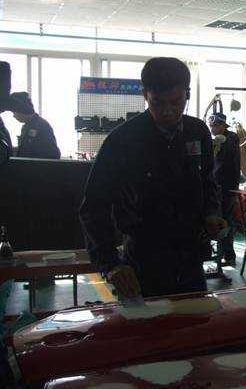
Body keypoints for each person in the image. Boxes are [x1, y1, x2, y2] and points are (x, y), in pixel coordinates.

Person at [79, 57, 226, 299]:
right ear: (145, 95)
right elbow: (93, 207)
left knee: (195, 320)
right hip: (141, 263)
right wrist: (111, 264)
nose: (168, 111)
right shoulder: (122, 141)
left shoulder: (197, 132)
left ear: (187, 94)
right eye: (158, 102)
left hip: (190, 259)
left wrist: (211, 213)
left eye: (176, 102)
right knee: (146, 323)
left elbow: (208, 182)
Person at [208, 112, 241, 266]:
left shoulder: (231, 138)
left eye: (215, 125)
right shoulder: (216, 140)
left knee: (226, 221)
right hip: (216, 186)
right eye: (211, 126)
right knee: (216, 220)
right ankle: (219, 254)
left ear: (222, 125)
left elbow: (227, 163)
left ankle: (228, 255)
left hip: (228, 188)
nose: (212, 129)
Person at [9, 92, 60, 159]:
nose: (13, 116)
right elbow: (25, 149)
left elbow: (54, 154)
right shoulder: (26, 126)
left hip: (39, 165)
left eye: (14, 112)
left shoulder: (42, 126)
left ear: (22, 110)